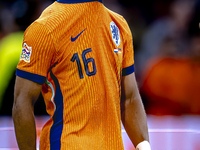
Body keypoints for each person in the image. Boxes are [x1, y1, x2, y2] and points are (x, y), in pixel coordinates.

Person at [12, 0, 150, 150]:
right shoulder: (44, 28)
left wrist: (144, 144)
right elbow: (22, 101)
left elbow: (129, 98)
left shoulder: (119, 24)